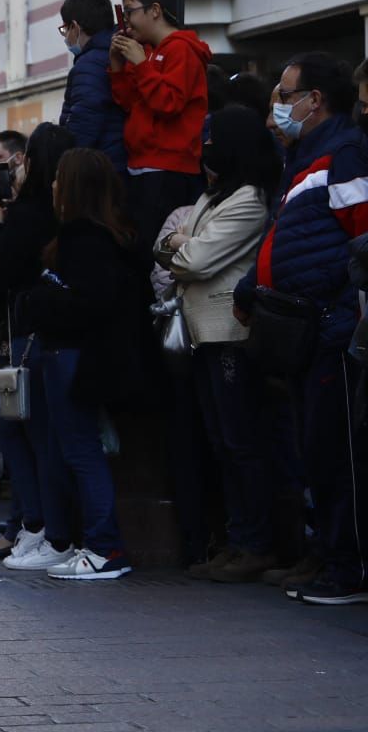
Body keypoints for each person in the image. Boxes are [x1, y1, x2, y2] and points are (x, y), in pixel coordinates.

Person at [235, 52, 368, 606]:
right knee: (314, 451)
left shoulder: (346, 153)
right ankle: (327, 555)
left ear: (317, 100)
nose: (277, 107)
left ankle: (347, 566)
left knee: (334, 452)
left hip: (330, 332)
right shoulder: (304, 158)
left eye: (285, 96)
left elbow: (360, 240)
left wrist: (337, 311)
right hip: (302, 332)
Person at [158, 106, 277, 583]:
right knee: (221, 442)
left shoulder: (249, 199)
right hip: (201, 334)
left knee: (239, 441)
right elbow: (167, 247)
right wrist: (180, 245)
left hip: (229, 333)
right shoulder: (214, 196)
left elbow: (193, 260)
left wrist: (182, 244)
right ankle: (237, 538)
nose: (206, 151)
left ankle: (256, 542)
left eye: (214, 140)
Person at [16, 148, 141, 581]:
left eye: (58, 179)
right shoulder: (100, 234)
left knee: (81, 450)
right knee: (68, 448)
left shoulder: (85, 240)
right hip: (71, 355)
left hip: (72, 356)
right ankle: (86, 541)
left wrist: (42, 298)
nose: (51, 186)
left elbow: (88, 303)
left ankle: (105, 546)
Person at [0, 122, 77, 568]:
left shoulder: (35, 213)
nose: (8, 170)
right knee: (27, 428)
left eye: (13, 161)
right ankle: (33, 525)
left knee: (25, 426)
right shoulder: (49, 209)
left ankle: (42, 528)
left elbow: (2, 271)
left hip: (33, 335)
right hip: (33, 332)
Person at [107, 0, 210, 250]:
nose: (126, 20)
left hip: (169, 168)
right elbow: (129, 102)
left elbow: (169, 103)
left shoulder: (181, 50)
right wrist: (118, 66)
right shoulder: (149, 51)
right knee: (138, 250)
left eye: (130, 11)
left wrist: (141, 65)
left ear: (155, 11)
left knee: (155, 252)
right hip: (141, 164)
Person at [56, 0, 128, 171]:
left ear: (75, 26)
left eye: (65, 30)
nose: (66, 37)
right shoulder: (118, 51)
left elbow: (84, 122)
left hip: (100, 169)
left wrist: (65, 166)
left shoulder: (89, 65)